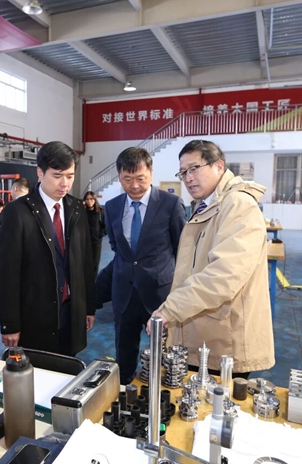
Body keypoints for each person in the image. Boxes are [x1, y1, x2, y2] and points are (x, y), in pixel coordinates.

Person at [149, 140, 274, 379]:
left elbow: (223, 275)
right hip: (207, 335)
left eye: (194, 168)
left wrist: (170, 309)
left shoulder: (238, 205)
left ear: (218, 166)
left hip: (225, 342)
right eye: (183, 172)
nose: (188, 178)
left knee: (216, 401)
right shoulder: (208, 204)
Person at [0, 141, 96, 356]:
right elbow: (7, 273)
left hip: (71, 311)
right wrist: (10, 323)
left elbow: (85, 262)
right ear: (40, 173)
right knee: (39, 368)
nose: (65, 183)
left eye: (70, 176)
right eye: (57, 175)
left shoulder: (76, 208)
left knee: (69, 366)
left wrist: (88, 307)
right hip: (36, 313)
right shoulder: (18, 212)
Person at [99, 146, 186, 385]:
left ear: (151, 173)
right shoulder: (112, 207)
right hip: (124, 293)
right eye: (127, 179)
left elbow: (182, 249)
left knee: (164, 356)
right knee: (124, 352)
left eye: (140, 178)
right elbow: (116, 246)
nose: (135, 186)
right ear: (119, 177)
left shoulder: (171, 204)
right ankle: (124, 389)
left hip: (159, 294)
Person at [83, 191, 106, 277]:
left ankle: (93, 281)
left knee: (95, 263)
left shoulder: (100, 212)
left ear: (95, 200)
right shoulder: (82, 212)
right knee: (85, 262)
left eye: (91, 199)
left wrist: (99, 234)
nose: (89, 201)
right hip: (84, 242)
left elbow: (106, 226)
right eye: (87, 199)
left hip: (96, 242)